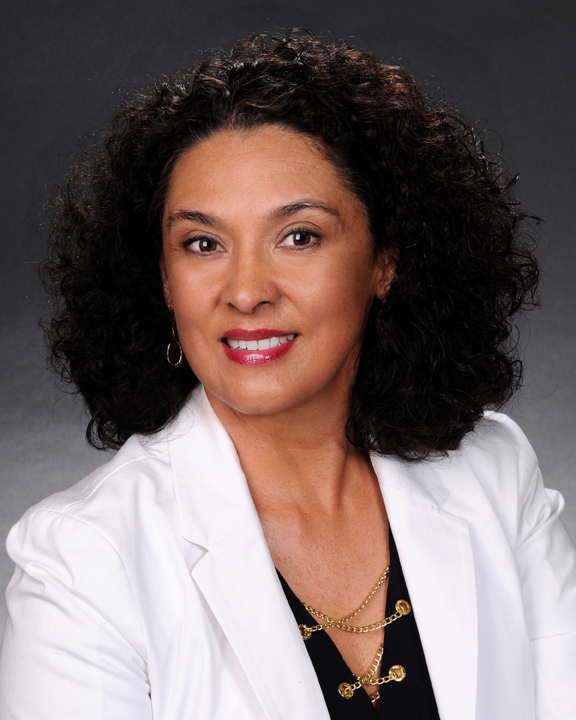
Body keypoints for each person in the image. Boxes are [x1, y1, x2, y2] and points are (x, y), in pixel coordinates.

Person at [0, 29, 575, 720]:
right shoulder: (82, 563)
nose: (246, 292)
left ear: (385, 261)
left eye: (299, 236)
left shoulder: (494, 473)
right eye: (202, 243)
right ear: (164, 281)